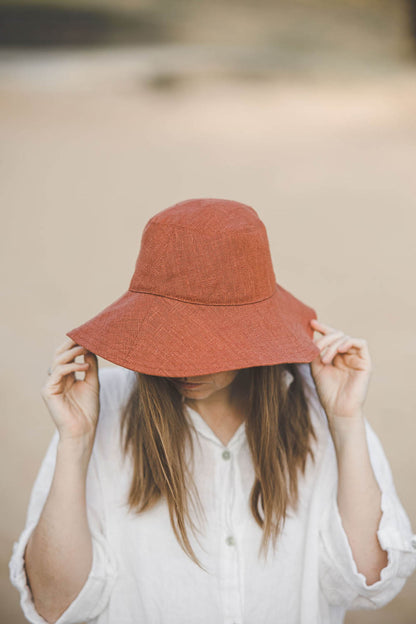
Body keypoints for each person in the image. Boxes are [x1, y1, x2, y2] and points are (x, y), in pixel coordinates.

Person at [9, 198, 416, 624]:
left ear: (254, 330)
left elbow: (370, 582)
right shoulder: (97, 409)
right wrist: (75, 441)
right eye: (168, 335)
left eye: (208, 342)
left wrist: (346, 422)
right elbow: (55, 605)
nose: (183, 363)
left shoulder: (323, 410)